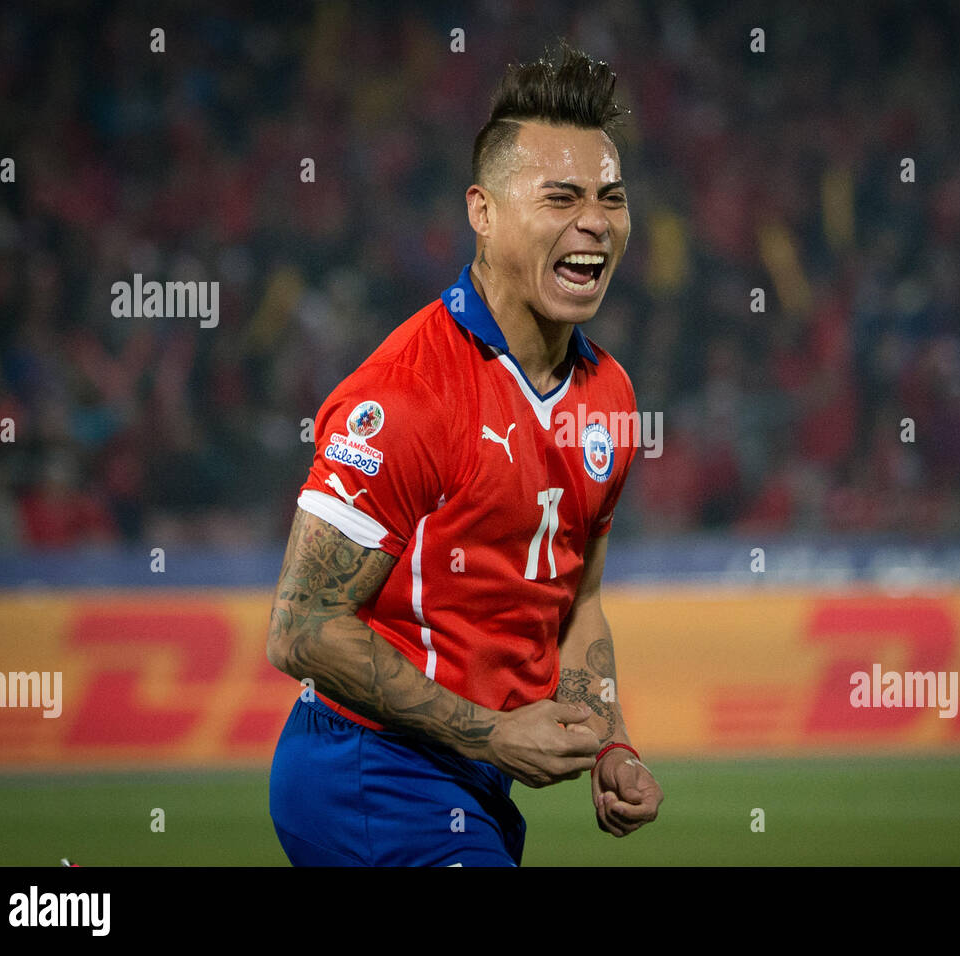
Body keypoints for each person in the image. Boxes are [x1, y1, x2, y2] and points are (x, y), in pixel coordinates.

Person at [265, 41, 662, 866]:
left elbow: (580, 599)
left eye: (610, 199)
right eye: (561, 198)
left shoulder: (610, 397)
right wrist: (492, 732)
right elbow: (300, 629)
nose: (594, 220)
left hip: (471, 784)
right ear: (482, 211)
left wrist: (610, 739)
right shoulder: (405, 395)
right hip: (366, 773)